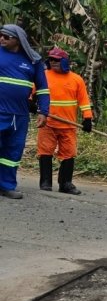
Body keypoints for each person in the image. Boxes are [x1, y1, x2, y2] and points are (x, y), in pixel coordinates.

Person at [0, 24, 50, 199]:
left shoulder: (33, 61)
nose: (2, 39)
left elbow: (43, 88)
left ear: (18, 40)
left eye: (6, 37)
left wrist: (44, 111)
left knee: (12, 151)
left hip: (19, 115)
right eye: (1, 35)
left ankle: (7, 186)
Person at [37, 47, 93, 195]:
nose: (53, 62)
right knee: (45, 152)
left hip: (68, 125)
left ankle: (65, 183)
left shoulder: (76, 79)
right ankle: (45, 182)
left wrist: (87, 118)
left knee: (69, 153)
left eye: (56, 59)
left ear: (64, 61)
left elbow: (84, 101)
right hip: (47, 123)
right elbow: (32, 91)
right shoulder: (43, 76)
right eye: (51, 59)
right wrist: (30, 102)